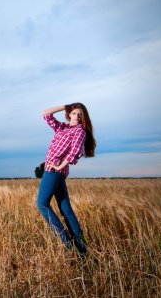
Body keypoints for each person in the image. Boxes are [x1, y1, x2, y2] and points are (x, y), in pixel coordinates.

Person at [37, 103, 96, 258]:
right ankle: (82, 249)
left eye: (80, 115)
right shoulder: (61, 127)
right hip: (55, 171)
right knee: (66, 209)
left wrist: (59, 166)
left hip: (54, 171)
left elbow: (75, 152)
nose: (77, 116)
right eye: (75, 113)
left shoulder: (79, 132)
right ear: (69, 114)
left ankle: (67, 242)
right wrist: (65, 106)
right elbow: (45, 113)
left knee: (42, 204)